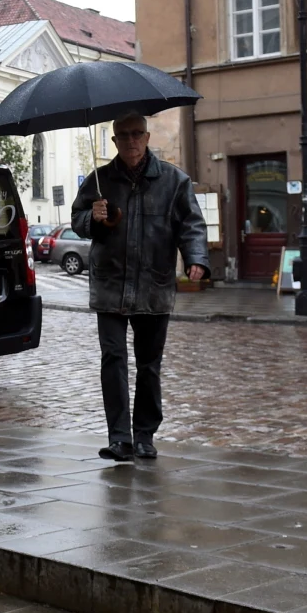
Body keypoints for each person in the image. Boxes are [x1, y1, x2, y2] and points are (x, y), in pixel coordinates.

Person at [71, 114, 209, 463]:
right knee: (113, 360)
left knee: (149, 364)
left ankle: (145, 435)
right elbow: (77, 221)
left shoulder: (174, 181)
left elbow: (191, 224)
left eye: (137, 135)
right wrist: (93, 217)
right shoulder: (99, 181)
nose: (131, 141)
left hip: (153, 284)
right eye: (124, 136)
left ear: (147, 137)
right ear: (115, 141)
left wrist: (196, 258)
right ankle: (120, 438)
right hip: (110, 286)